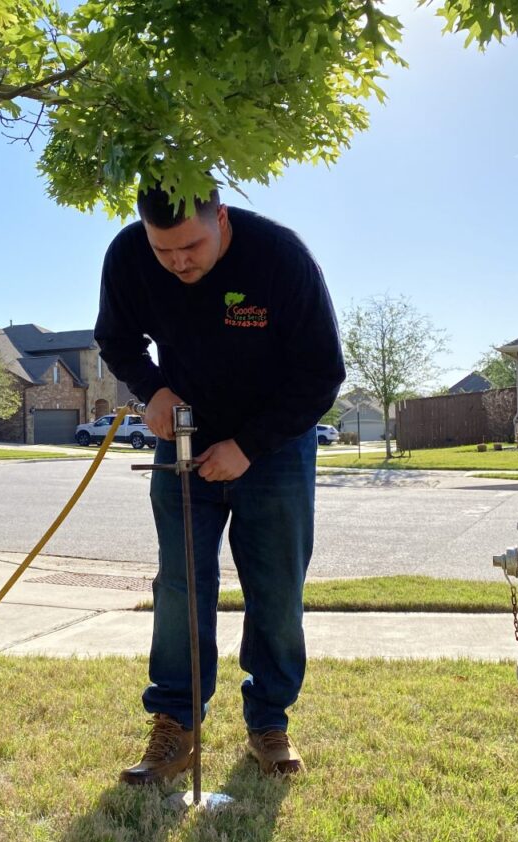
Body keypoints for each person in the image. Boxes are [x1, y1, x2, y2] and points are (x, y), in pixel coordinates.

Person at [95, 179, 345, 783]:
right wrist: (152, 390)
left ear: (222, 218)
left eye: (192, 247)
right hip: (182, 439)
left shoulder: (280, 258)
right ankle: (176, 725)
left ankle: (269, 720)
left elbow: (322, 374)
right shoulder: (129, 255)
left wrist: (249, 447)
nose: (179, 261)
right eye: (165, 251)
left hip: (276, 446)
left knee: (277, 586)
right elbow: (116, 338)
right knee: (180, 584)